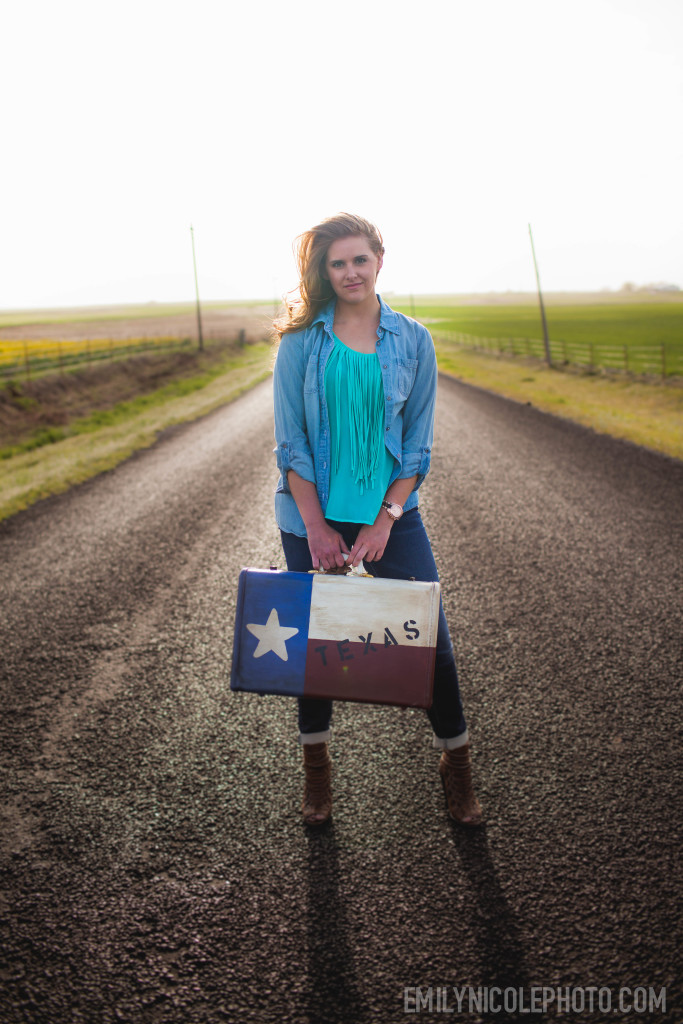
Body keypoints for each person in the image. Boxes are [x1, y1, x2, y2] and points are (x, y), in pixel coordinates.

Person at [272, 212, 482, 827]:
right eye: (337, 263)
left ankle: (458, 767)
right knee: (317, 651)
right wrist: (316, 528)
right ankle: (317, 776)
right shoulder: (300, 343)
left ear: (380, 259)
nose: (349, 272)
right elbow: (292, 446)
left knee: (432, 644)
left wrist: (387, 519)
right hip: (310, 519)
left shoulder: (413, 340)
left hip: (392, 517)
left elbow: (418, 446)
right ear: (324, 271)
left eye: (359, 259)